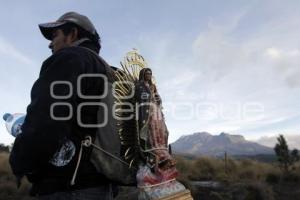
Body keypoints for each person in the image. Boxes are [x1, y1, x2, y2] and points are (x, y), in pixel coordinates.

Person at [9, 12, 115, 199]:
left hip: (68, 187)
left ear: (72, 34)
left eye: (55, 35)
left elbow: (44, 122)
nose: (50, 43)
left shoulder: (70, 58)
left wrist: (19, 162)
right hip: (106, 187)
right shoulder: (112, 73)